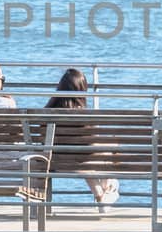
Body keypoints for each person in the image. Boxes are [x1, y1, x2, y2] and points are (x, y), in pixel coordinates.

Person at [44, 67, 120, 206]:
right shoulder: (84, 116)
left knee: (91, 157)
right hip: (80, 164)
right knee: (107, 149)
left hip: (52, 164)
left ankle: (102, 195)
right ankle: (106, 190)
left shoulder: (46, 112)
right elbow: (91, 147)